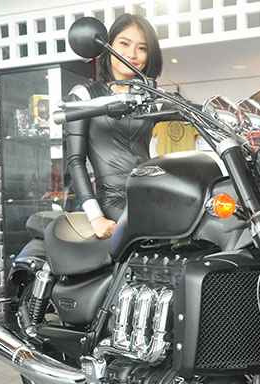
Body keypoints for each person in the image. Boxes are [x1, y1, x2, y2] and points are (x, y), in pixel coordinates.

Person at [64, 13, 163, 238]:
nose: (132, 54)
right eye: (124, 44)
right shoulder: (85, 95)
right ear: (108, 47)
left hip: (151, 194)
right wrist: (96, 217)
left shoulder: (151, 98)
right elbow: (76, 161)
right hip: (112, 200)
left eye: (142, 48)